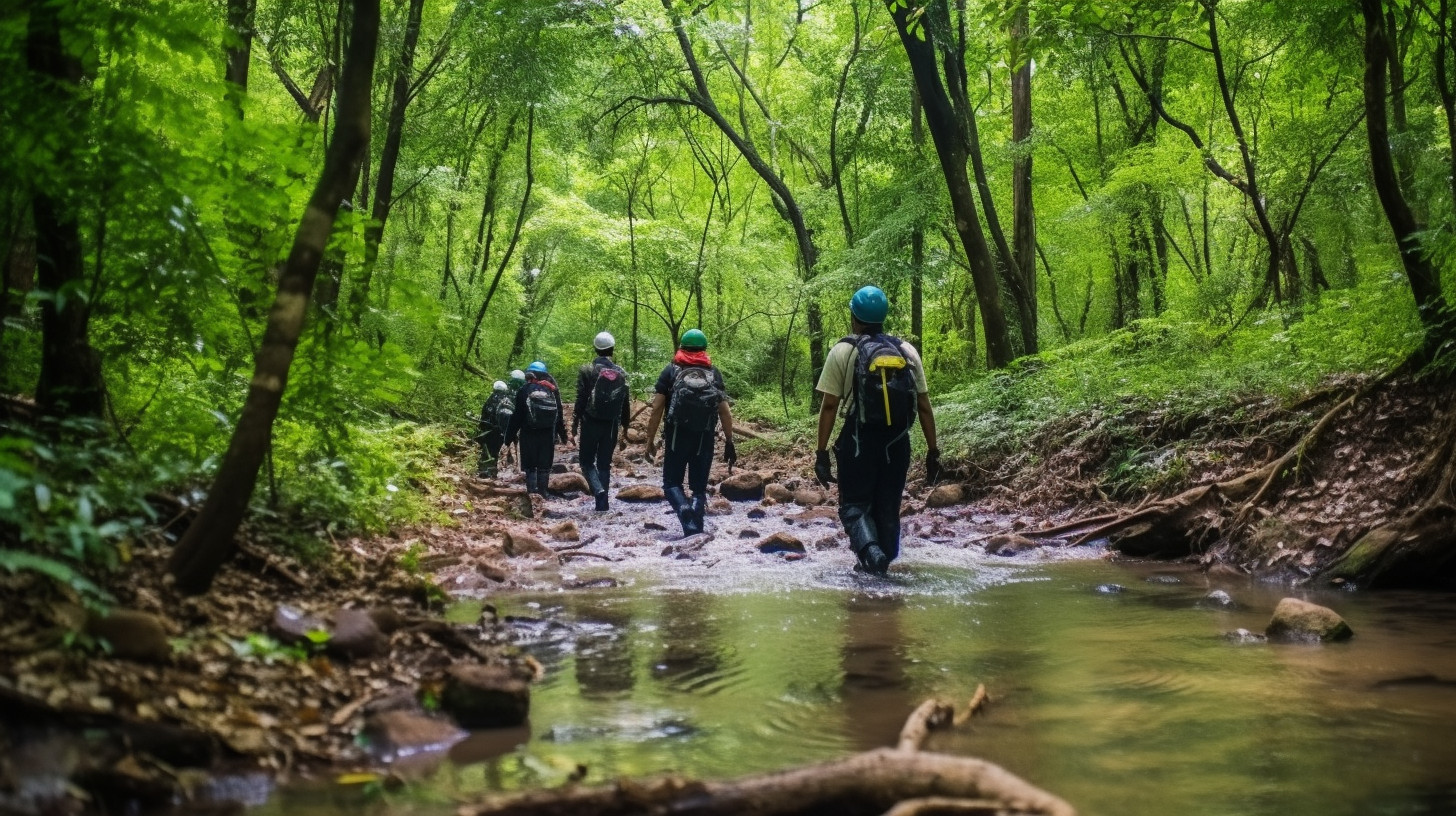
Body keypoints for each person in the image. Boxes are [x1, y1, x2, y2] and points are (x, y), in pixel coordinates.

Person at [813, 285, 941, 575]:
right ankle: (881, 567)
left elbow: (830, 406)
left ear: (854, 316)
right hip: (897, 443)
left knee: (854, 506)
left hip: (858, 442)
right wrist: (933, 452)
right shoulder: (907, 351)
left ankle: (871, 556)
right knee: (888, 506)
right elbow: (923, 405)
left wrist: (821, 452)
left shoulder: (843, 350)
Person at [644, 328, 737, 536]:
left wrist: (649, 439)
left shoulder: (671, 371)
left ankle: (685, 514)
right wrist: (730, 440)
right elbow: (724, 411)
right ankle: (696, 529)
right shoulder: (713, 374)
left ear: (682, 347)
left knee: (671, 484)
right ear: (704, 349)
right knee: (698, 489)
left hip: (677, 435)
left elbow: (657, 408)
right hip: (704, 437)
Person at [572, 331, 633, 512]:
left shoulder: (587, 370)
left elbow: (581, 399)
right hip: (612, 424)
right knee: (604, 464)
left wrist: (575, 424)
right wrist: (625, 426)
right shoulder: (621, 373)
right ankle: (602, 505)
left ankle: (597, 490)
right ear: (612, 350)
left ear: (595, 349)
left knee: (586, 462)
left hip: (590, 422)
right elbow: (625, 401)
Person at [503, 361, 568, 503]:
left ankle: (532, 494)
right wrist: (563, 436)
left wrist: (508, 438)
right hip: (547, 433)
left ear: (530, 374)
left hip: (528, 432)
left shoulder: (524, 390)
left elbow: (516, 416)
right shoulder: (552, 390)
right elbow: (559, 414)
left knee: (530, 465)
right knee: (544, 465)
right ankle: (543, 493)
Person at [476, 380, 512, 478]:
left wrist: (482, 427)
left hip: (488, 430)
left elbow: (484, 414)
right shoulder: (506, 400)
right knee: (497, 452)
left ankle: (484, 470)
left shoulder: (490, 399)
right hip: (499, 431)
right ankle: (494, 472)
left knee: (487, 451)